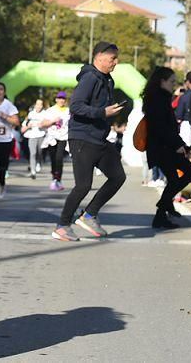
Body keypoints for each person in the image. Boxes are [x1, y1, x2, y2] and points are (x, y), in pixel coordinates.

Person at [52, 42, 126, 241]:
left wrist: (110, 113)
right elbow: (75, 106)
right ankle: (62, 225)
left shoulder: (107, 80)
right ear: (99, 57)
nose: (116, 63)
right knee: (83, 185)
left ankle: (89, 214)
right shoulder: (90, 77)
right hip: (82, 137)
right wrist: (102, 112)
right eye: (112, 59)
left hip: (99, 138)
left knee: (118, 176)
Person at [142, 66, 191, 230]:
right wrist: (179, 145)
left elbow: (168, 127)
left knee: (174, 179)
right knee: (190, 171)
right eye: (172, 81)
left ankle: (161, 216)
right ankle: (164, 205)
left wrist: (181, 145)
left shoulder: (159, 98)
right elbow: (163, 128)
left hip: (163, 146)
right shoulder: (158, 100)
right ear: (162, 82)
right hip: (162, 148)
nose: (174, 85)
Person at [41, 91, 70, 191]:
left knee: (59, 158)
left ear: (65, 100)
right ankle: (54, 178)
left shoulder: (68, 111)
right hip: (52, 138)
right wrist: (53, 121)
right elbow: (43, 124)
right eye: (60, 98)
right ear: (56, 99)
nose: (61, 100)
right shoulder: (50, 110)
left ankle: (58, 180)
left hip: (63, 137)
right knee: (53, 159)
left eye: (63, 99)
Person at [21, 98, 47, 179]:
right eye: (37, 104)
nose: (39, 106)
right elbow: (24, 124)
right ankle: (33, 171)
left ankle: (39, 162)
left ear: (42, 106)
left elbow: (48, 123)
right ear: (35, 105)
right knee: (33, 153)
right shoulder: (30, 114)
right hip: (31, 135)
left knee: (39, 152)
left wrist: (42, 125)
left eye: (40, 104)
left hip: (41, 135)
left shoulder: (45, 114)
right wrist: (28, 126)